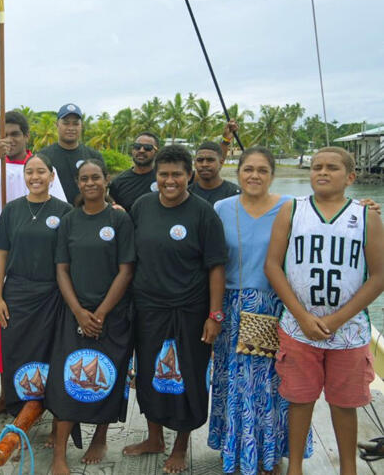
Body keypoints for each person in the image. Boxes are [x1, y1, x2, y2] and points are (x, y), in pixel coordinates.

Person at [265, 147, 384, 475]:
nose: (322, 172)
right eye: (317, 167)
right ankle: (296, 468)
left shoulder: (366, 216)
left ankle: (349, 468)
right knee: (299, 400)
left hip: (348, 331)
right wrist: (302, 316)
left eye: (332, 167)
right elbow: (273, 266)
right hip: (297, 327)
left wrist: (337, 318)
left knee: (344, 404)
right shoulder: (291, 210)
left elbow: (379, 276)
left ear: (350, 177)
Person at [207, 147, 312, 475]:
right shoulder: (221, 208)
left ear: (272, 174)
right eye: (248, 169)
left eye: (262, 170)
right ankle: (236, 450)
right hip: (230, 307)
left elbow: (328, 221)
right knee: (235, 381)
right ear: (237, 173)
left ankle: (269, 455)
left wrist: (366, 208)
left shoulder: (292, 208)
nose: (254, 176)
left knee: (270, 383)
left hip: (273, 306)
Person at [123, 145, 227, 474]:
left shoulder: (202, 213)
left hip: (190, 310)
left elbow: (216, 268)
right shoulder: (141, 207)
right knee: (150, 375)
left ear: (189, 176)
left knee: (188, 378)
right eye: (164, 174)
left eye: (177, 174)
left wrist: (214, 315)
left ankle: (181, 445)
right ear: (156, 176)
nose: (170, 181)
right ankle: (154, 438)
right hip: (149, 308)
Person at [0, 111, 66, 418]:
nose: (11, 139)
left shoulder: (41, 169)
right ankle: (7, 395)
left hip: (36, 273)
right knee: (4, 339)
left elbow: (63, 217)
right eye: (5, 134)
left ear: (27, 137)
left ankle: (40, 400)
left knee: (36, 339)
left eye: (16, 134)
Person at [47, 158, 135, 474]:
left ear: (106, 179)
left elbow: (126, 271)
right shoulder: (69, 221)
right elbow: (61, 269)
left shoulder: (120, 220)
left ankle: (100, 435)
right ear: (78, 183)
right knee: (66, 380)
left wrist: (100, 313)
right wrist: (79, 313)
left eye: (96, 177)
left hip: (112, 314)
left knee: (108, 377)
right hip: (74, 314)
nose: (90, 183)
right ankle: (59, 453)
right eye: (84, 179)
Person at [0, 154, 72, 418]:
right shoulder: (11, 210)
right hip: (17, 294)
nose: (35, 177)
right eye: (29, 172)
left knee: (51, 354)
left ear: (52, 176)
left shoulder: (65, 212)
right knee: (15, 351)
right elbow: (1, 254)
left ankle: (51, 410)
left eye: (41, 172)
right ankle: (17, 410)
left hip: (52, 296)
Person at [39, 103, 104, 204]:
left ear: (81, 126)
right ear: (57, 125)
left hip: (86, 213)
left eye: (75, 123)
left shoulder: (94, 156)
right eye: (66, 123)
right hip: (54, 214)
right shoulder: (43, 157)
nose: (71, 128)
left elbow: (102, 190)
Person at [108, 132, 160, 211]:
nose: (141, 150)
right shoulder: (118, 182)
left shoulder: (163, 179)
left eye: (147, 148)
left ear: (156, 152)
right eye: (137, 147)